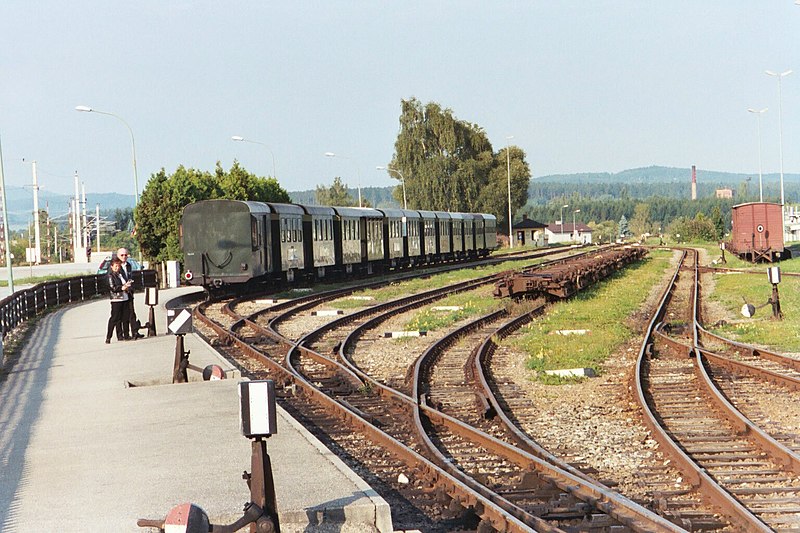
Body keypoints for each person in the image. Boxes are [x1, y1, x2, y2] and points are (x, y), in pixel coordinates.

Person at [117, 248, 143, 340]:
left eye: (126, 255)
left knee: (131, 312)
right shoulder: (116, 265)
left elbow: (129, 276)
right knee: (120, 315)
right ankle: (121, 335)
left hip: (129, 292)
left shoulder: (128, 265)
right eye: (122, 255)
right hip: (120, 293)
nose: (124, 257)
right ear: (118, 256)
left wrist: (130, 286)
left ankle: (134, 331)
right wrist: (122, 287)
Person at [106, 258, 132, 343]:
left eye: (119, 266)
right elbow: (112, 287)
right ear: (112, 266)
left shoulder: (120, 274)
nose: (117, 268)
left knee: (125, 317)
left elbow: (124, 282)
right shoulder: (110, 276)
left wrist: (127, 286)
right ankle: (109, 336)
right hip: (116, 299)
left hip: (125, 297)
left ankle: (125, 335)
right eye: (116, 266)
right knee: (115, 318)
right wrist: (121, 288)